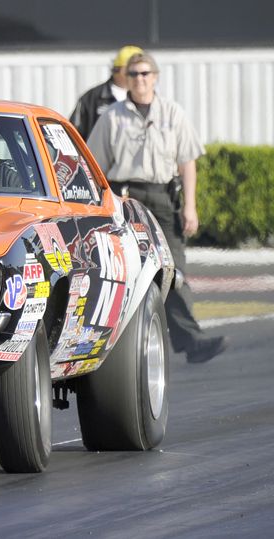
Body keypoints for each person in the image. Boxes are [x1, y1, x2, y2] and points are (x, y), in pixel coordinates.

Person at [87, 51, 227, 364]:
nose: (139, 79)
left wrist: (190, 206)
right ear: (126, 78)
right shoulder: (111, 117)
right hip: (127, 198)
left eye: (144, 73)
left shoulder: (172, 113)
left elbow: (187, 162)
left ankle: (192, 342)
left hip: (164, 198)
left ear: (155, 77)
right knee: (124, 270)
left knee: (174, 271)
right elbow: (96, 166)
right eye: (133, 74)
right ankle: (114, 349)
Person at [69, 45, 144, 140]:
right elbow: (73, 134)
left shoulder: (146, 98)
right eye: (134, 71)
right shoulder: (92, 98)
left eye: (143, 72)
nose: (139, 77)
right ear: (120, 70)